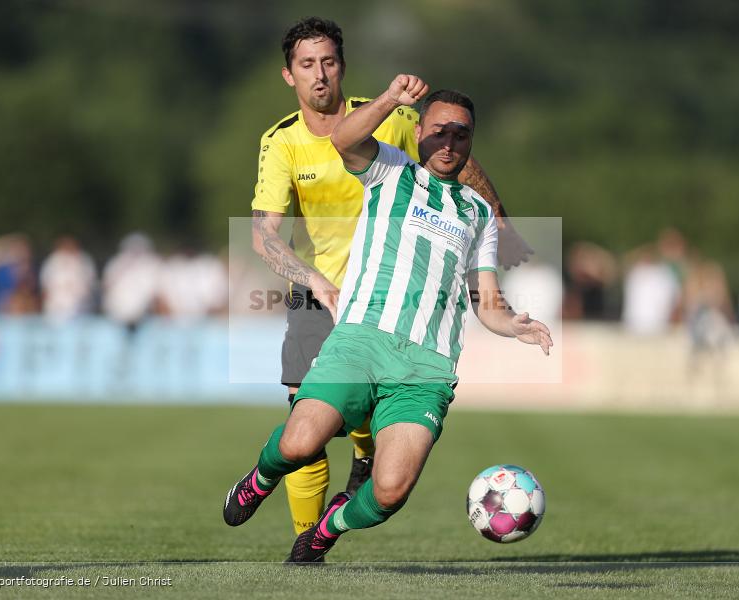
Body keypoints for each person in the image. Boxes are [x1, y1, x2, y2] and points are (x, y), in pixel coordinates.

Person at [224, 74, 553, 563]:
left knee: (389, 492)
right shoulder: (391, 171)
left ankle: (329, 526)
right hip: (360, 342)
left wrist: (513, 325)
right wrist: (389, 99)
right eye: (439, 132)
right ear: (419, 133)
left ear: (470, 142)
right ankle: (260, 478)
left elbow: (486, 301)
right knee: (299, 444)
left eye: (460, 134)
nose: (449, 143)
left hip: (426, 367)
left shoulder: (479, 213)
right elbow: (342, 138)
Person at [40, 236, 97, 322]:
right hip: (57, 304)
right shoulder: (53, 261)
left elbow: (89, 282)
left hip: (80, 305)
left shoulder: (84, 260)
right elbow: (45, 282)